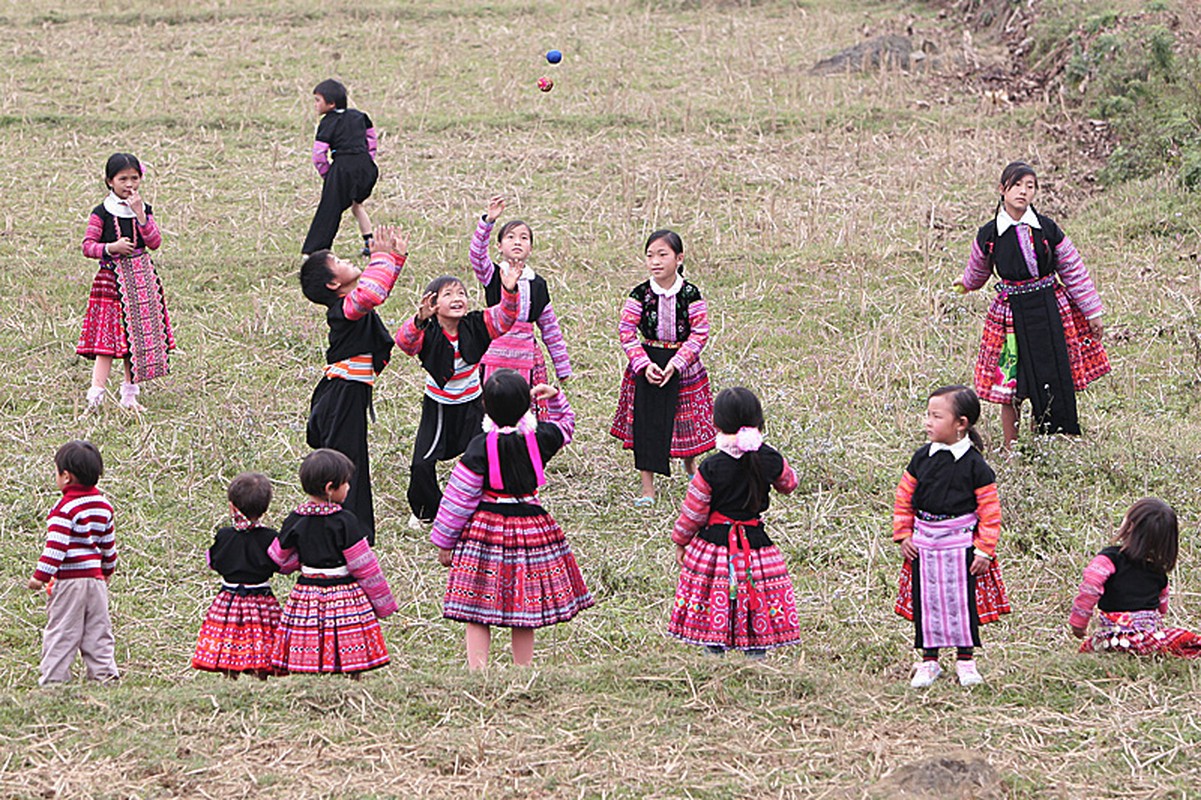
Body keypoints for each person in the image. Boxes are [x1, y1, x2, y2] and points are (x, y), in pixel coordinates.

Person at [431, 370, 592, 669]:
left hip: (485, 530)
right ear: (528, 405)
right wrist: (555, 396)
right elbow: (566, 425)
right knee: (524, 605)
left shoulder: (479, 445)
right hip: (531, 527)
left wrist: (445, 542)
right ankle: (524, 669)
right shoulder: (541, 438)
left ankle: (477, 671)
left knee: (477, 607)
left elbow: (458, 498)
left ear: (485, 406)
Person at [955, 160, 1110, 447]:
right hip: (1010, 316)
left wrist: (1092, 312)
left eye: (1030, 187)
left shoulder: (1047, 229)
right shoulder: (989, 235)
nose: (1023, 192)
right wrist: (965, 283)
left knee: (1051, 370)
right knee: (1012, 381)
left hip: (1051, 309)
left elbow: (1073, 270)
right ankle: (1011, 445)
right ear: (1002, 189)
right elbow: (978, 271)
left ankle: (1047, 438)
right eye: (1017, 185)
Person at [668, 387, 801, 658]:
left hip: (714, 550)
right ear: (759, 422)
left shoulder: (711, 467)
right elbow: (789, 484)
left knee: (717, 596)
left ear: (716, 424)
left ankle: (713, 657)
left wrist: (680, 541)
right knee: (755, 597)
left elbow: (693, 513)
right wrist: (771, 461)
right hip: (755, 547)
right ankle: (756, 658)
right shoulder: (768, 458)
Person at [893, 385, 1010, 687]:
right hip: (924, 546)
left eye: (936, 416)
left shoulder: (975, 465)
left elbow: (990, 511)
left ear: (962, 423)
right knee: (927, 602)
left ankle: (966, 660)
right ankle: (929, 661)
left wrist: (984, 550)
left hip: (962, 547)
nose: (928, 422)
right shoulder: (921, 458)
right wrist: (903, 533)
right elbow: (904, 498)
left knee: (962, 602)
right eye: (928, 415)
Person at [299, 225, 408, 543]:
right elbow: (373, 292)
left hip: (348, 394)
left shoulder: (352, 306)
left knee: (349, 462)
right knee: (343, 465)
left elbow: (377, 292)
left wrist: (395, 258)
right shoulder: (345, 310)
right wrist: (381, 257)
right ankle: (338, 532)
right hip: (342, 395)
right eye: (338, 260)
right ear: (334, 283)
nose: (346, 260)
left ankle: (349, 533)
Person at [395, 262, 520, 525]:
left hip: (474, 404)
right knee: (422, 464)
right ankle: (429, 512)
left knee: (486, 456)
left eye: (461, 293)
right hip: (438, 406)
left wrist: (509, 290)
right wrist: (419, 320)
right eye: (448, 294)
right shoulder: (426, 331)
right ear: (433, 303)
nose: (457, 299)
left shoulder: (476, 324)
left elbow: (505, 318)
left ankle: (486, 507)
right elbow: (405, 343)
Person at [609, 230, 715, 506]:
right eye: (650, 255)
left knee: (686, 420)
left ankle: (690, 466)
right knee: (647, 424)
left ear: (679, 258)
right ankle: (647, 489)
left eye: (662, 255)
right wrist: (642, 363)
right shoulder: (640, 293)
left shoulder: (690, 293)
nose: (655, 261)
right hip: (647, 364)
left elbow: (700, 332)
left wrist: (678, 363)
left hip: (684, 365)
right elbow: (627, 330)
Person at [269, 449, 396, 676]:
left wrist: (298, 562)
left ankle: (310, 679)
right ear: (330, 488)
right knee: (348, 639)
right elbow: (364, 567)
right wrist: (383, 603)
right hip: (343, 595)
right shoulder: (345, 522)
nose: (348, 487)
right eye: (345, 483)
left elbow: (279, 558)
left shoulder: (295, 520)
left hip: (306, 594)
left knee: (308, 637)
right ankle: (351, 678)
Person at [77, 152, 175, 411]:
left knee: (137, 340)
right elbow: (87, 246)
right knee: (107, 343)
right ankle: (95, 397)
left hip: (142, 281)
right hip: (111, 283)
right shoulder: (101, 213)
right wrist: (112, 247)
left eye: (134, 178)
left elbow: (154, 242)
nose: (129, 184)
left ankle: (129, 397)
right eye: (123, 179)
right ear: (110, 181)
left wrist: (141, 215)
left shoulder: (143, 209)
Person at [469, 195, 572, 417]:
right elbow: (476, 255)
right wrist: (488, 221)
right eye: (511, 237)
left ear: (531, 248)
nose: (517, 242)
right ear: (499, 246)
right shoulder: (492, 275)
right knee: (490, 409)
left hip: (525, 359)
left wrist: (562, 367)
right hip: (492, 356)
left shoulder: (538, 284)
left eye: (524, 238)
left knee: (523, 411)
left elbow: (550, 329)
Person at [27, 441, 119, 686]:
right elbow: (108, 546)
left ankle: (54, 681)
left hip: (69, 583)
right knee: (98, 631)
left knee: (62, 631)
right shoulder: (104, 506)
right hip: (96, 582)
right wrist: (107, 571)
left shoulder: (64, 508)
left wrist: (40, 576)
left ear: (65, 476)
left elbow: (56, 547)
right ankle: (104, 677)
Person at [1069, 498, 1201, 657]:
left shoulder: (1110, 559)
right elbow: (1162, 609)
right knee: (1187, 640)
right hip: (1149, 641)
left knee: (1087, 650)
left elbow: (1091, 586)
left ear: (1130, 526)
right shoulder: (1158, 572)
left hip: (1111, 640)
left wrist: (1079, 622)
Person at [192, 473, 283, 679]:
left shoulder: (224, 535)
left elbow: (213, 562)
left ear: (232, 506)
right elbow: (280, 563)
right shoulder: (270, 537)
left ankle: (229, 675)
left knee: (229, 636)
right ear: (265, 508)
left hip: (229, 597)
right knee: (260, 636)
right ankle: (261, 675)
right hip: (261, 598)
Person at [301, 79, 379, 257]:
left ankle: (314, 252)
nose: (315, 105)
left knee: (329, 209)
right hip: (366, 167)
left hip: (343, 168)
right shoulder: (360, 116)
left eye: (317, 100)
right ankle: (370, 242)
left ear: (331, 104)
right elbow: (372, 141)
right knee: (356, 204)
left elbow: (319, 155)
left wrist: (328, 175)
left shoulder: (328, 122)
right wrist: (367, 161)